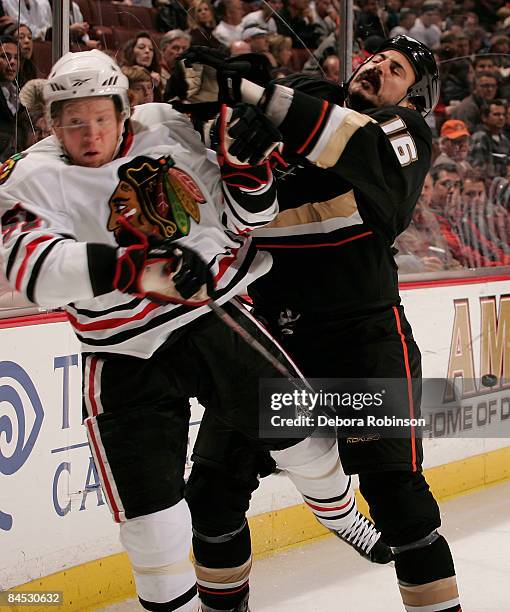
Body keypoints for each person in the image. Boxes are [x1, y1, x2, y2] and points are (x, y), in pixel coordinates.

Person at [0, 49, 388, 612]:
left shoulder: (169, 126)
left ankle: (341, 514)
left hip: (209, 316)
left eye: (100, 117)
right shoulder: (25, 176)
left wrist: (248, 167)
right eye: (73, 121)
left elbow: (248, 217)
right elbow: (32, 269)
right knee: (151, 527)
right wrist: (133, 267)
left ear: (123, 109)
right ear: (51, 122)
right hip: (120, 350)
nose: (89, 133)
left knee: (302, 429)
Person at [189, 34, 461, 612]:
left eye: (396, 71)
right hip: (267, 342)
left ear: (412, 99)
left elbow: (353, 144)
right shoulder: (302, 97)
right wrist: (204, 90)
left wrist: (263, 104)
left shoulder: (404, 132)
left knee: (397, 499)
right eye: (377, 60)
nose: (379, 69)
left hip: (358, 342)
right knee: (212, 490)